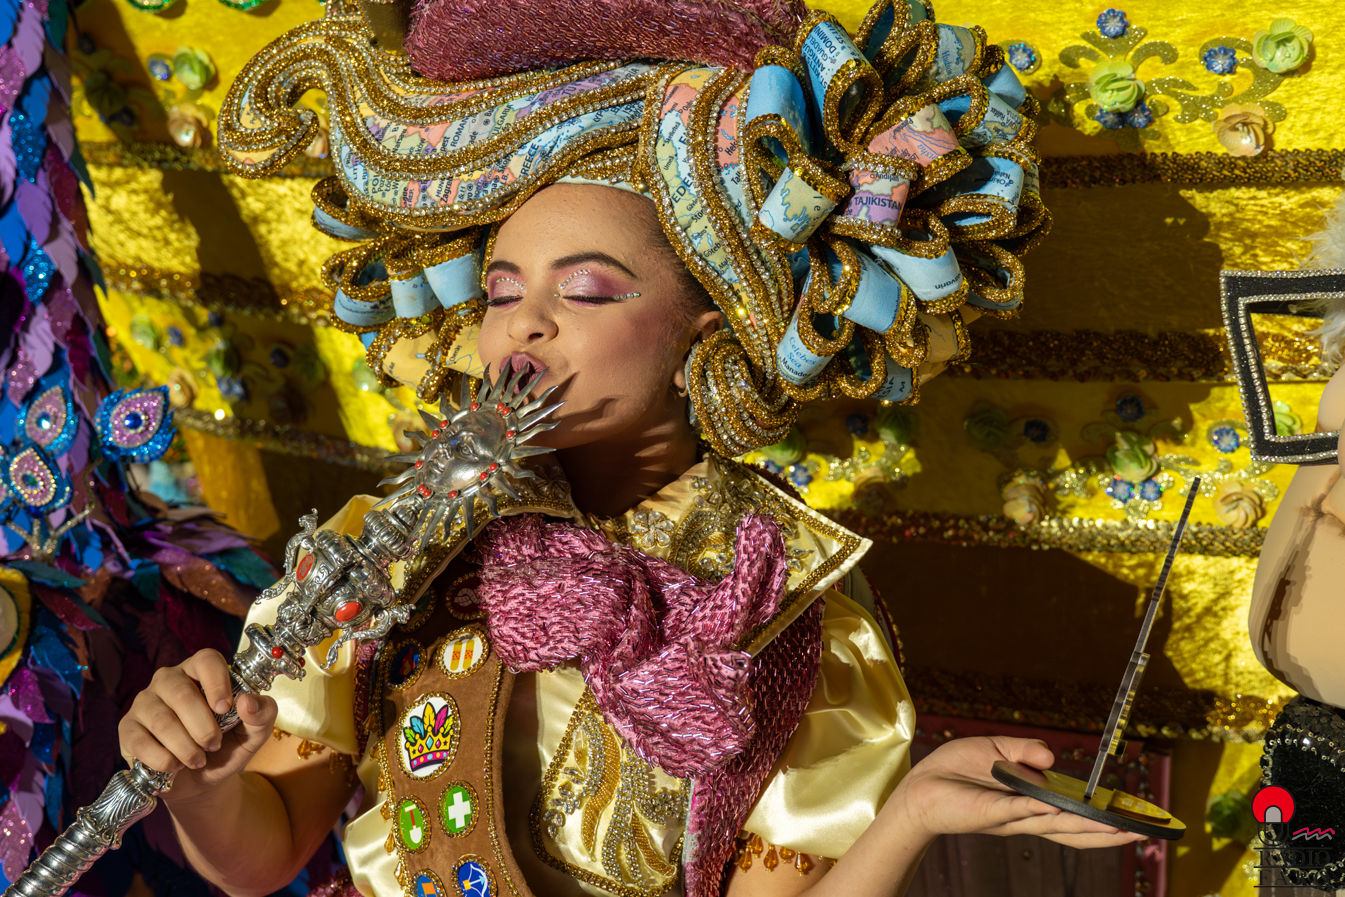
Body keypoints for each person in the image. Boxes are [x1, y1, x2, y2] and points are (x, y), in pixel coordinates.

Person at [119, 2, 1144, 896]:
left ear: (712, 324)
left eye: (586, 290)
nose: (526, 323)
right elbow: (261, 856)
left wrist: (911, 814)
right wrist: (202, 784)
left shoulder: (790, 604)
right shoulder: (387, 547)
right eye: (502, 292)